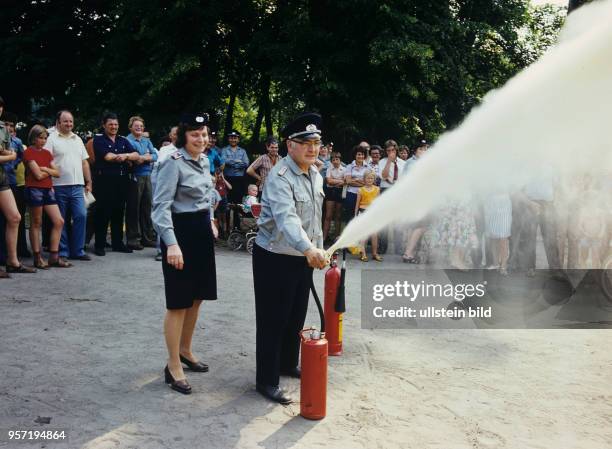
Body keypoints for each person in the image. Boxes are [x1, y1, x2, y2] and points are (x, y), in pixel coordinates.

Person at [253, 112, 327, 404]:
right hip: (276, 257)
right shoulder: (280, 177)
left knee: (295, 314)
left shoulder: (315, 173)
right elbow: (288, 220)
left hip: (302, 256)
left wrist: (320, 249)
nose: (312, 148)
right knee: (273, 318)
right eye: (305, 142)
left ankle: (286, 363)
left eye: (316, 142)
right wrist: (309, 249)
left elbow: (314, 220)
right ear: (289, 145)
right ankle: (266, 380)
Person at [152, 113, 219, 395]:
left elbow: (206, 196)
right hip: (180, 234)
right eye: (195, 135)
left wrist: (212, 219)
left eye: (204, 134)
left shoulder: (204, 160)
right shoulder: (172, 162)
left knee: (197, 297)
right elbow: (160, 207)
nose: (201, 139)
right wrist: (171, 244)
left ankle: (185, 350)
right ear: (183, 135)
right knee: (178, 302)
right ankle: (172, 366)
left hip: (201, 231)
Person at [44, 110, 92, 261]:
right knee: (61, 219)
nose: (69, 124)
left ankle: (78, 250)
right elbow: (45, 161)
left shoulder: (77, 139)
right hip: (58, 185)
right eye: (65, 121)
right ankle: (63, 251)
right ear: (58, 122)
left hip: (77, 185)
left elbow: (84, 162)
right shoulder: (51, 139)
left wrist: (88, 181)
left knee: (81, 215)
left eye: (71, 121)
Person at [92, 112, 140, 256]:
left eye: (116, 124)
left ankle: (117, 243)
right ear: (104, 125)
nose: (114, 127)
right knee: (103, 212)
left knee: (118, 212)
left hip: (121, 180)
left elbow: (136, 155)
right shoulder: (99, 140)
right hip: (105, 181)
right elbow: (107, 157)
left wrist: (125, 156)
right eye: (110, 124)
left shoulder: (122, 140)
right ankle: (99, 244)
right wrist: (125, 157)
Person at [24, 125, 71, 268]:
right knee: (36, 223)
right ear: (33, 138)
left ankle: (54, 257)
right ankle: (37, 258)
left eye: (45, 138)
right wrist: (49, 171)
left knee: (59, 221)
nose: (43, 141)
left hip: (48, 189)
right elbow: (37, 176)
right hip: (34, 189)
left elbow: (57, 173)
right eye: (40, 138)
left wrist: (44, 169)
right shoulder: (28, 152)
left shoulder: (47, 153)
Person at [0, 100, 34, 276]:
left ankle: (12, 261)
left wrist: (9, 155)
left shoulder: (3, 129)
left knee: (15, 217)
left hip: (2, 179)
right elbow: (8, 154)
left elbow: (8, 151)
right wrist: (10, 155)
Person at [126, 116, 158, 250]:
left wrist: (143, 157)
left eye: (141, 126)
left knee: (147, 207)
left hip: (147, 176)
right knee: (134, 207)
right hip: (135, 176)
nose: (139, 128)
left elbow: (155, 156)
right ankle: (133, 239)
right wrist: (147, 157)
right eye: (136, 126)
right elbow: (134, 159)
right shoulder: (127, 140)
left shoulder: (146, 140)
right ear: (130, 127)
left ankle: (147, 237)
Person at [221, 130, 249, 228]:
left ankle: (237, 227)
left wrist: (231, 163)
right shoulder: (224, 150)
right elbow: (224, 161)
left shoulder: (242, 151)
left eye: (235, 137)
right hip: (228, 179)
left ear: (238, 139)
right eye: (231, 137)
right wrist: (237, 162)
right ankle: (228, 227)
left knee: (238, 204)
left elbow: (246, 163)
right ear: (229, 139)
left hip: (239, 180)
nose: (233, 139)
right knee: (228, 204)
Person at [354, 170, 382, 262]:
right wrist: (355, 215)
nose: (369, 180)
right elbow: (357, 204)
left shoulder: (377, 189)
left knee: (374, 234)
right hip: (363, 213)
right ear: (364, 179)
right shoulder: (360, 190)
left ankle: (375, 253)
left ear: (374, 179)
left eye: (371, 178)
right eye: (368, 178)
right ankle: (363, 253)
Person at [322, 152, 345, 242]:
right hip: (330, 192)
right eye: (333, 160)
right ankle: (323, 238)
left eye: (337, 159)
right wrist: (340, 181)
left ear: (340, 160)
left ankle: (336, 239)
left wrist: (334, 181)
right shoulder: (329, 169)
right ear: (331, 161)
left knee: (338, 216)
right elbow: (328, 181)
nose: (335, 161)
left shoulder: (344, 169)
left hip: (340, 192)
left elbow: (345, 181)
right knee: (328, 215)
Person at [343, 146, 368, 222]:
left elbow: (368, 182)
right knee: (350, 216)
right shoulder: (349, 166)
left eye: (362, 154)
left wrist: (355, 179)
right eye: (359, 154)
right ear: (355, 155)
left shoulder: (368, 167)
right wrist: (362, 181)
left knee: (362, 216)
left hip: (364, 194)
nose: (361, 156)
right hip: (351, 194)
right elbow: (348, 181)